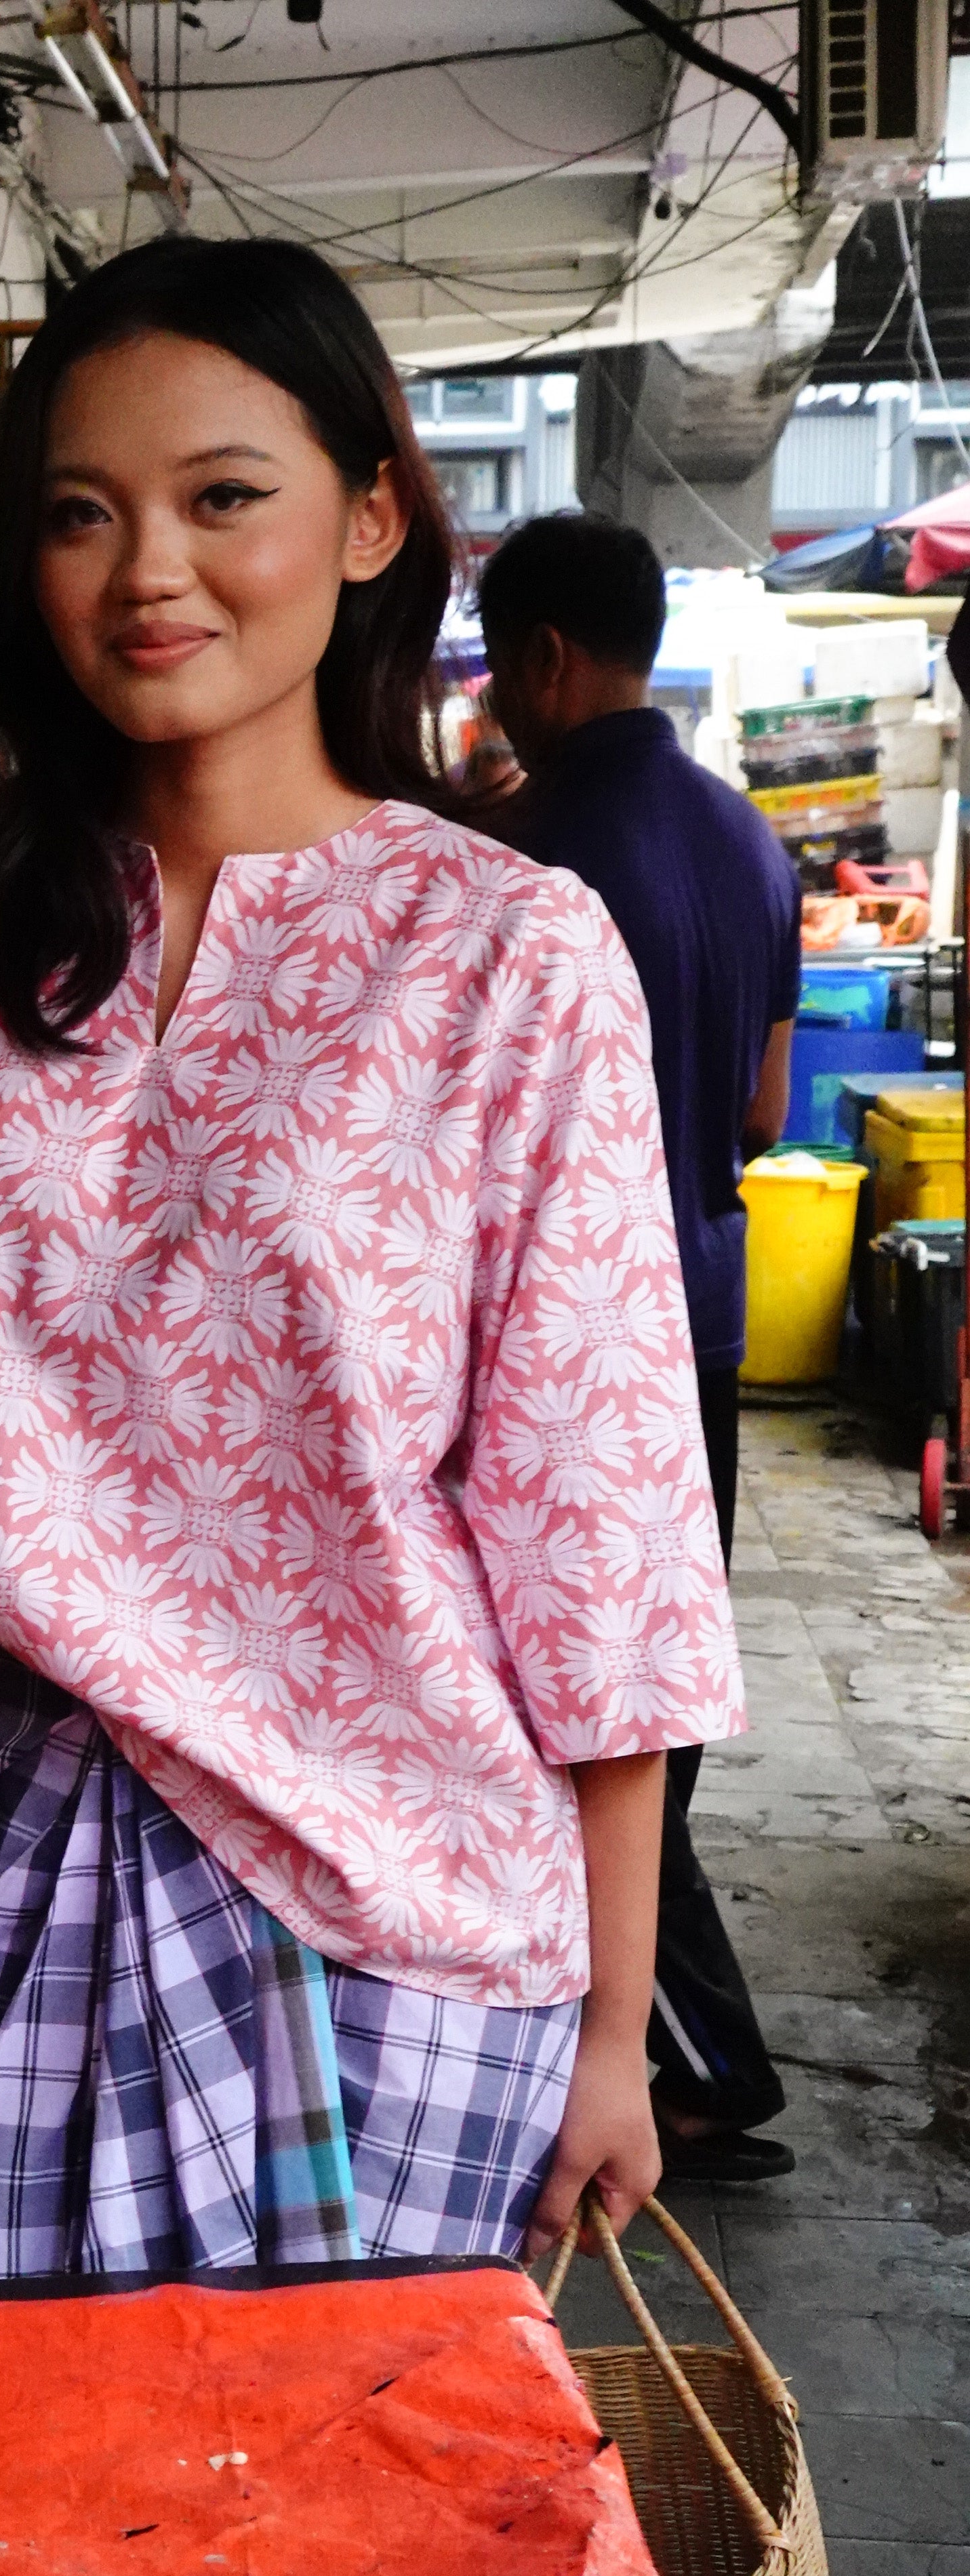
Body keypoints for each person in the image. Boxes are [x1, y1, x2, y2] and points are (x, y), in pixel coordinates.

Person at [0, 238, 742, 2297]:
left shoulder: (502, 960)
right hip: (1, 1895)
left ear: (369, 517)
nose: (146, 571)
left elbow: (594, 1530)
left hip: (409, 1942)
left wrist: (618, 2033)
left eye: (221, 497)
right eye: (80, 514)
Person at [480, 513, 796, 2188]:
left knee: (587, 1728)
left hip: (571, 1345)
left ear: (540, 657)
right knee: (637, 1714)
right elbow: (760, 1108)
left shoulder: (526, 864)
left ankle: (691, 2055)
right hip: (711, 1308)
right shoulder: (750, 839)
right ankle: (678, 2049)